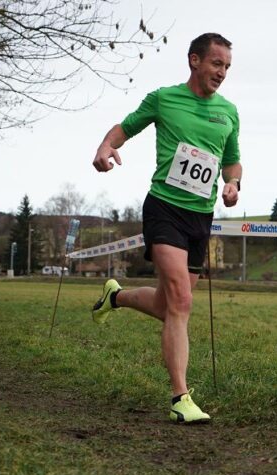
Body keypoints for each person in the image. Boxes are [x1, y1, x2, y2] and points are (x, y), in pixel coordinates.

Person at [91, 33, 242, 424]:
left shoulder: (229, 111)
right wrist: (106, 147)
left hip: (200, 216)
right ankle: (180, 397)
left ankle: (116, 297)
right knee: (181, 302)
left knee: (169, 305)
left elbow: (233, 160)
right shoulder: (164, 98)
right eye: (216, 64)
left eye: (227, 66)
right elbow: (125, 127)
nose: (222, 72)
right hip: (165, 209)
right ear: (194, 60)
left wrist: (232, 184)